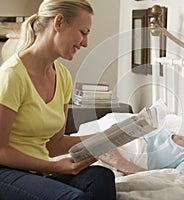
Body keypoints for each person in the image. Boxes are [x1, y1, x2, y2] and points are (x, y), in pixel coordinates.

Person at [0, 0, 116, 199]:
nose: (86, 43)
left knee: (101, 176)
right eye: (83, 32)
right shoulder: (12, 75)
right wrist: (53, 166)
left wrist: (106, 137)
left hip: (39, 173)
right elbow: (1, 150)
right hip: (6, 171)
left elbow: (55, 144)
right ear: (59, 22)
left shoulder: (62, 76)